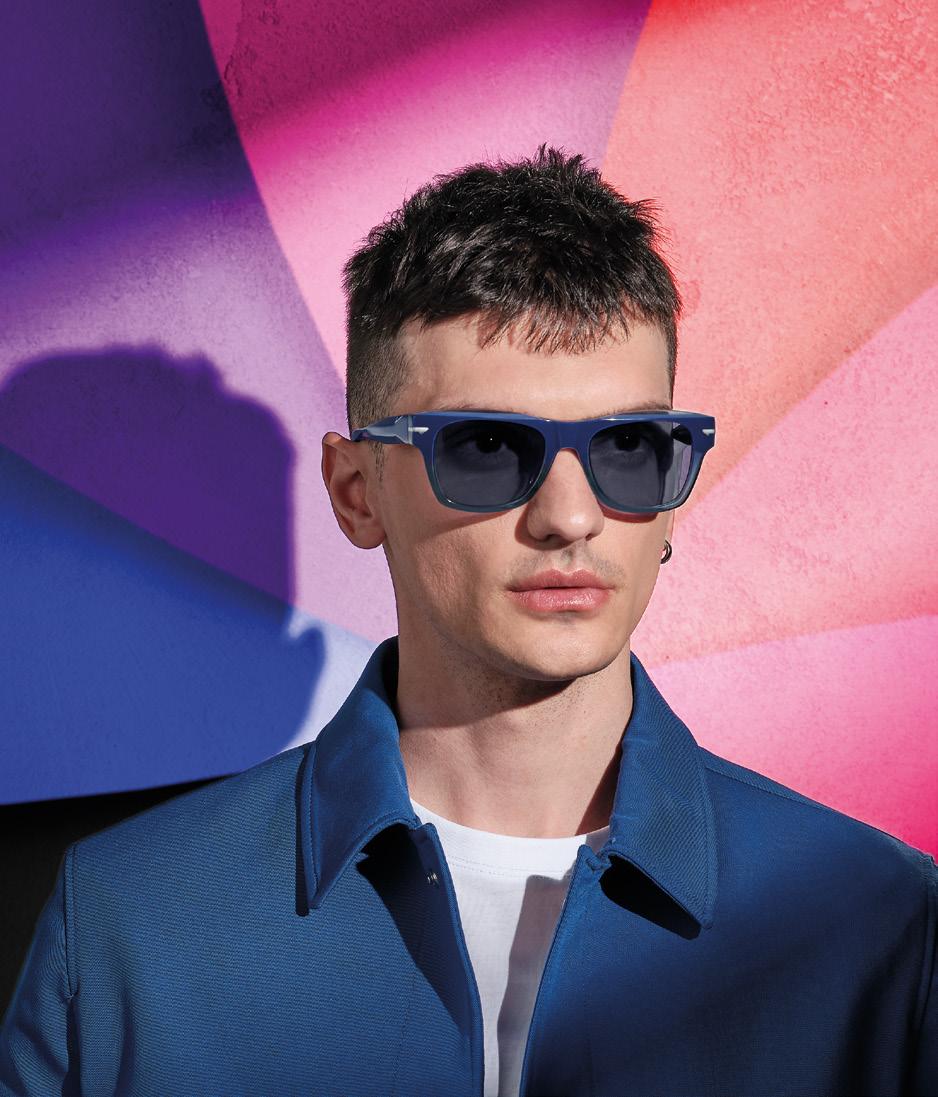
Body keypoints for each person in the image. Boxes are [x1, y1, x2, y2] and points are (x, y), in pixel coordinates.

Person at [1, 145, 934, 1097]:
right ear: (357, 491)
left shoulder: (879, 924)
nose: (570, 517)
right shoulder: (130, 930)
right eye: (487, 448)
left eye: (631, 447)